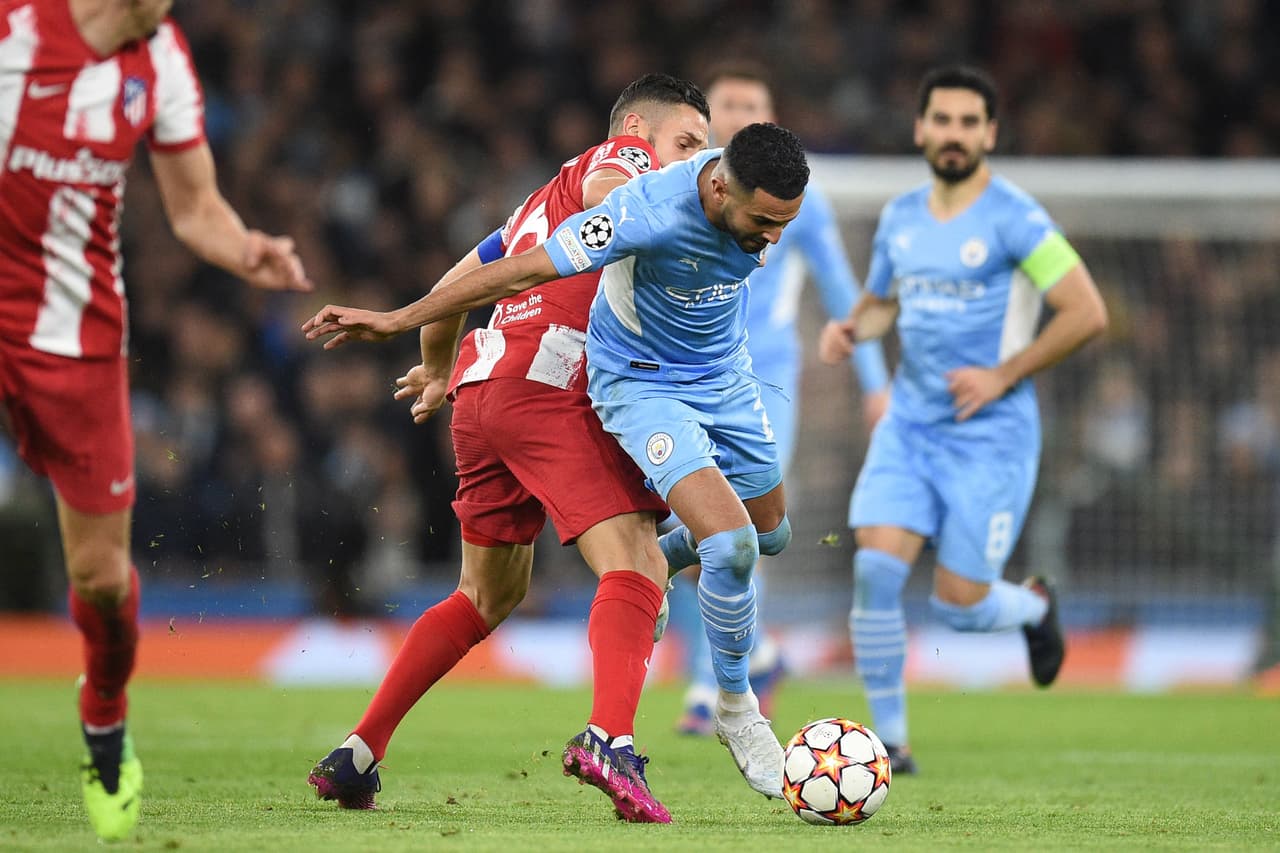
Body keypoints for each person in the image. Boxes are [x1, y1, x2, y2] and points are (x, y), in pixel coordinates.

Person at [303, 121, 811, 801]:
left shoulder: (553, 200)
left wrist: (434, 359)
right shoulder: (635, 185)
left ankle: (358, 751)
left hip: (508, 382)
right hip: (601, 383)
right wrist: (397, 321)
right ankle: (710, 715)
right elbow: (542, 254)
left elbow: (471, 272)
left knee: (490, 594)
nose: (772, 240)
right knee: (694, 552)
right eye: (682, 135)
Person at [0, 0, 312, 842]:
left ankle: (104, 713)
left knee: (101, 578)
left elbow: (195, 207)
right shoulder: (15, 24)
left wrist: (244, 247)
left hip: (74, 336)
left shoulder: (163, 58)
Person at [818, 65, 1108, 774]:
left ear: (990, 134)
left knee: (960, 605)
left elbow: (1086, 312)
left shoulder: (1017, 218)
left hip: (990, 437)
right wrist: (852, 328)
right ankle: (891, 745)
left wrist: (1004, 374)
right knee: (874, 568)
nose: (954, 134)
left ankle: (1034, 607)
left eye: (968, 123)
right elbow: (884, 302)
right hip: (910, 426)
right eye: (942, 120)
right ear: (921, 128)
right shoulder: (901, 217)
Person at [664, 63, 893, 737]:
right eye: (727, 106)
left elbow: (842, 290)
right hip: (687, 375)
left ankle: (711, 683)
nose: (738, 115)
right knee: (682, 528)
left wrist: (876, 382)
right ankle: (757, 656)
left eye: (751, 106)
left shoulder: (800, 201)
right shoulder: (681, 185)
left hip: (765, 377)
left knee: (736, 520)